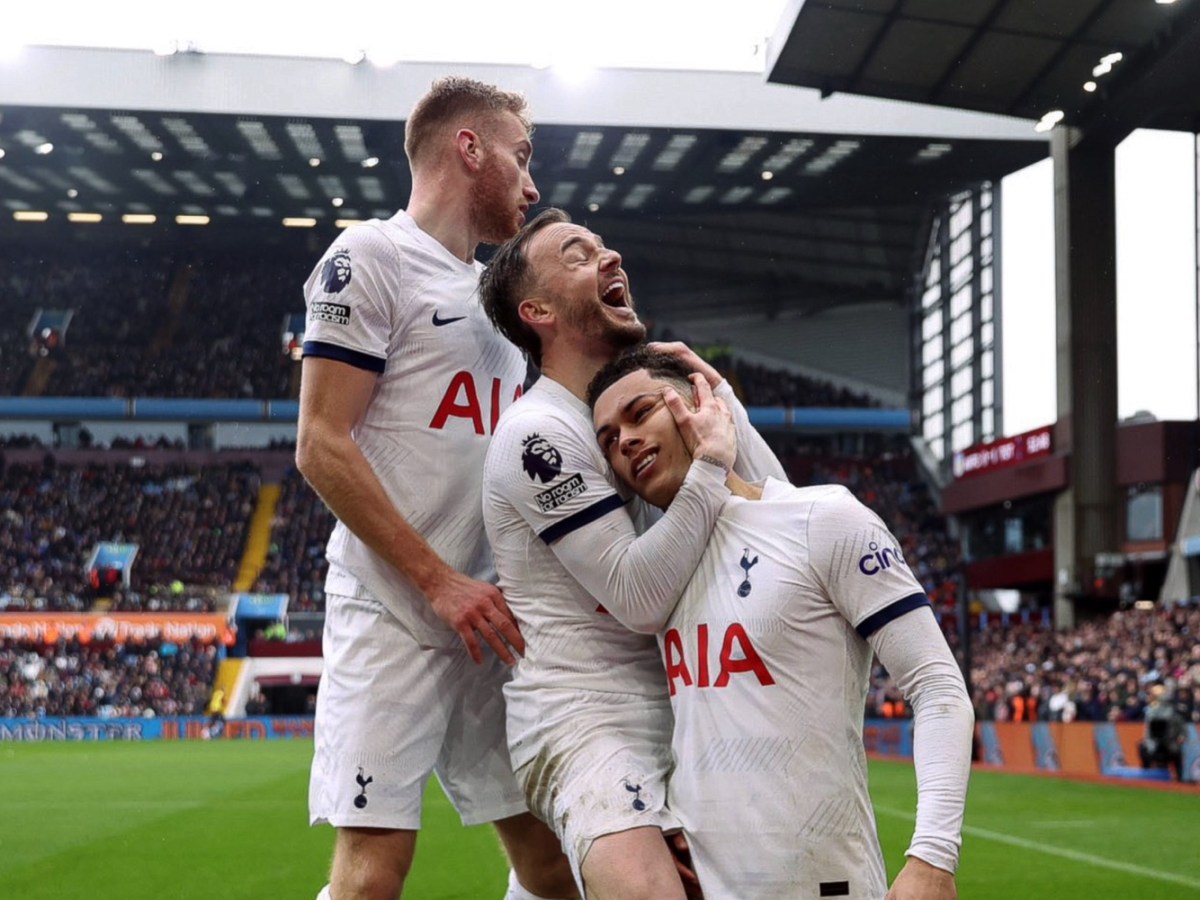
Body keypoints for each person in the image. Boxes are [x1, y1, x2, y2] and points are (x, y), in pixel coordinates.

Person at [296, 78, 574, 900]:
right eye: (520, 157)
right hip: (395, 611)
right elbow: (320, 443)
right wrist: (439, 581)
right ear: (468, 148)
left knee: (556, 864)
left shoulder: (497, 296)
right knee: (373, 876)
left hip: (487, 622)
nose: (532, 184)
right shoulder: (368, 257)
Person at [587, 348, 975, 900]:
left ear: (700, 404)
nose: (623, 441)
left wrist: (934, 856)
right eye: (607, 439)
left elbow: (938, 687)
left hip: (824, 885)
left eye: (640, 412)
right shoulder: (655, 577)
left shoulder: (822, 520)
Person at [479, 208, 785, 898]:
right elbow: (639, 597)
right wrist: (707, 467)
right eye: (579, 254)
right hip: (585, 722)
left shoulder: (632, 412)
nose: (610, 256)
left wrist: (722, 404)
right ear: (538, 310)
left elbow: (780, 520)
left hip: (680, 719)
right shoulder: (540, 435)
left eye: (604, 245)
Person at [1139, 683, 1187, 781]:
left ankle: (1179, 779)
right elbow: (1148, 733)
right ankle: (1146, 775)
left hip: (1170, 745)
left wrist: (1181, 738)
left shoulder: (1175, 714)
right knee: (1142, 747)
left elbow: (1183, 731)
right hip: (1156, 745)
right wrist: (1149, 743)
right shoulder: (1152, 713)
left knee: (1177, 756)